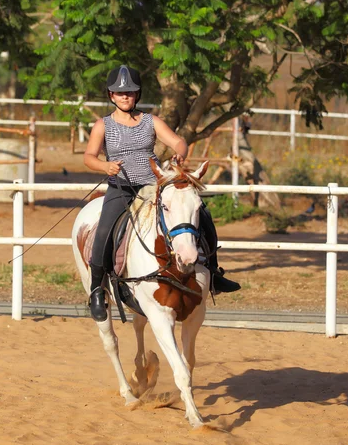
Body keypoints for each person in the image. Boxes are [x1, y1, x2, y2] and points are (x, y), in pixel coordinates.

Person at [84, 64, 240, 322]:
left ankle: (213, 273)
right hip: (121, 188)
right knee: (105, 230)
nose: (126, 97)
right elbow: (89, 157)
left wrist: (181, 150)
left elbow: (178, 140)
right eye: (120, 93)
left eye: (131, 93)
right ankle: (97, 290)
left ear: (138, 95)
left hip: (152, 186)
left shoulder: (151, 121)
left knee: (202, 213)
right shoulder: (103, 125)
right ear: (111, 95)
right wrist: (105, 165)